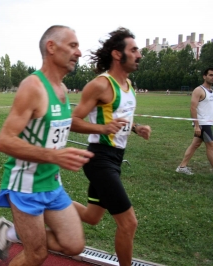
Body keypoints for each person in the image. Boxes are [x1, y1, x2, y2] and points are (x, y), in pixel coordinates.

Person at [0, 25, 93, 265]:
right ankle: (22, 237)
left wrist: (104, 129)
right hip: (26, 186)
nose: (79, 52)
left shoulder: (63, 89)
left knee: (74, 244)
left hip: (52, 183)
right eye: (73, 45)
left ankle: (11, 233)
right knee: (36, 254)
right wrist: (53, 156)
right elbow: (4, 140)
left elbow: (61, 126)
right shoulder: (33, 87)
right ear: (51, 47)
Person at [70, 27, 152, 266]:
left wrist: (136, 128)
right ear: (118, 54)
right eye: (134, 50)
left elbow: (120, 116)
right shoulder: (100, 85)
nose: (139, 55)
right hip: (100, 160)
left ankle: (48, 202)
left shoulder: (128, 84)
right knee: (129, 223)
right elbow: (72, 121)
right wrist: (102, 129)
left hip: (115, 159)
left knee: (92, 216)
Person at [176, 68, 213, 175]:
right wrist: (196, 126)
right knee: (210, 145)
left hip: (207, 123)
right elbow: (193, 108)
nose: (212, 77)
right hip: (202, 123)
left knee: (195, 144)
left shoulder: (211, 91)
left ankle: (182, 167)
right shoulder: (199, 90)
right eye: (210, 75)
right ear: (204, 76)